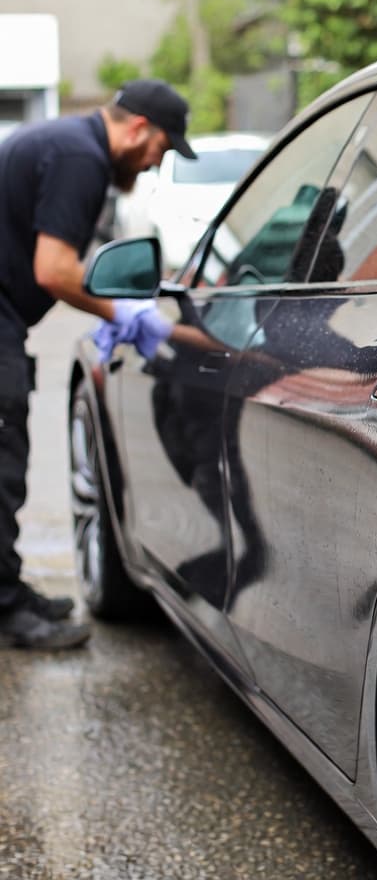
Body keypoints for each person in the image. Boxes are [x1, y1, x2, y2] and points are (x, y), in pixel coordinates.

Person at [0, 79, 194, 650]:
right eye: (162, 146)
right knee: (3, 466)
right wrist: (126, 313)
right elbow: (53, 270)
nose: (157, 161)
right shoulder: (80, 157)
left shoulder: (64, 143)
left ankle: (7, 589)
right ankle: (9, 609)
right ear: (138, 129)